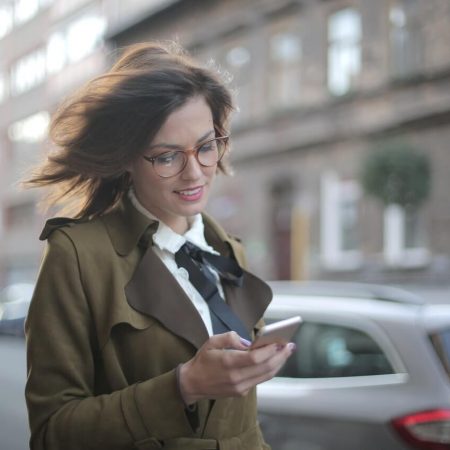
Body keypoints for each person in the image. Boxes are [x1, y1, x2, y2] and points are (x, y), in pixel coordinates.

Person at [24, 41, 295, 450]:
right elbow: (52, 433)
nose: (195, 174)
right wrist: (183, 386)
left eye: (206, 147)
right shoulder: (77, 256)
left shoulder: (228, 250)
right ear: (128, 158)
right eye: (167, 157)